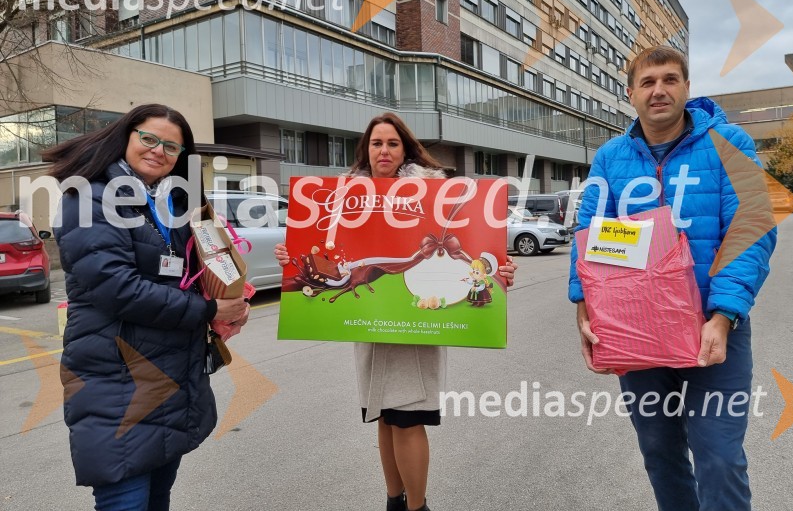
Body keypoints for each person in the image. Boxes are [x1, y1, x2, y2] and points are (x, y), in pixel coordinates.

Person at [568, 46, 776, 511]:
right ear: (630, 94)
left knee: (720, 459)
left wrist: (722, 316)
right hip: (638, 333)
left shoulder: (731, 143)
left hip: (713, 330)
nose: (658, 90)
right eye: (647, 82)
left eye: (669, 79)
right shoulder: (609, 158)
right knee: (660, 454)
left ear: (686, 87)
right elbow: (590, 234)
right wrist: (584, 308)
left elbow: (750, 229)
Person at [276, 112, 516, 511]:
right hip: (371, 326)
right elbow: (321, 252)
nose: (383, 151)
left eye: (391, 143)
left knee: (408, 418)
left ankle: (417, 507)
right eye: (376, 143)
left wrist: (497, 269)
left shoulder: (434, 195)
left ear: (405, 149)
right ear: (365, 150)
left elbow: (472, 248)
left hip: (416, 326)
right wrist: (290, 255)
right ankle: (394, 501)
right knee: (385, 417)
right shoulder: (342, 200)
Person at [44, 104, 248, 511]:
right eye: (149, 138)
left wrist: (228, 288)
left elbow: (186, 272)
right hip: (119, 377)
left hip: (169, 378)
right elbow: (118, 288)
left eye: (172, 147)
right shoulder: (90, 196)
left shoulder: (171, 202)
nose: (159, 151)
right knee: (126, 499)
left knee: (157, 497)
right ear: (127, 135)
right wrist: (208, 312)